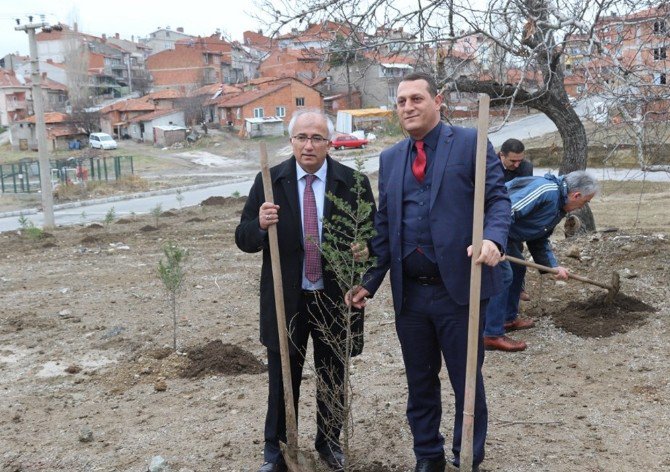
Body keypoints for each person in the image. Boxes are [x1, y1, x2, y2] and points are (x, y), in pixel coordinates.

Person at [348, 72, 511, 472]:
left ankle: (467, 457)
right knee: (420, 384)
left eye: (416, 99)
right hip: (411, 297)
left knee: (466, 382)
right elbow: (385, 227)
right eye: (401, 101)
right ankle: (428, 457)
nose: (407, 107)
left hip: (461, 290)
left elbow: (498, 201)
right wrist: (369, 282)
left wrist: (493, 239)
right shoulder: (390, 159)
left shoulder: (471, 143)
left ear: (437, 100)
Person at [235, 109, 376, 472]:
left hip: (334, 298)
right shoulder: (270, 181)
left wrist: (365, 250)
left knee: (332, 373)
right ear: (291, 141)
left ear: (330, 142)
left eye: (316, 138)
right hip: (287, 299)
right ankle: (278, 448)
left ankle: (329, 444)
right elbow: (243, 238)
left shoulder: (354, 184)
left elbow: (374, 240)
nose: (308, 145)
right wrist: (260, 224)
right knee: (284, 376)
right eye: (301, 137)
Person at [483, 171, 598, 352]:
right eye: (585, 202)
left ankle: (507, 319)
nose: (582, 206)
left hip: (505, 234)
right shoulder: (546, 191)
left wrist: (552, 267)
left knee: (518, 268)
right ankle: (490, 334)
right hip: (489, 228)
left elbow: (538, 238)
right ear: (576, 195)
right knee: (503, 275)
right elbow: (505, 212)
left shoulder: (558, 207)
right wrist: (494, 242)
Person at [498, 138, 533, 302]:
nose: (517, 165)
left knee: (517, 250)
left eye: (520, 160)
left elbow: (525, 192)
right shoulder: (489, 165)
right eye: (513, 161)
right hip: (494, 212)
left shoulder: (526, 167)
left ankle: (519, 288)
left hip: (515, 212)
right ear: (502, 156)